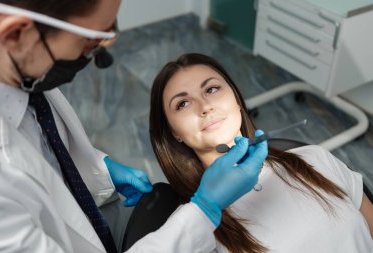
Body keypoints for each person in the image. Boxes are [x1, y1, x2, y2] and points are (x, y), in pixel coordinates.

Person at [0, 1, 268, 253]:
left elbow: (41, 149)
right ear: (16, 35)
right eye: (90, 40)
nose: (100, 53)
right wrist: (204, 210)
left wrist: (98, 172)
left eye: (212, 89)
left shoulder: (25, 70)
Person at [149, 53, 373, 253]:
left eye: (212, 89)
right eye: (183, 104)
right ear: (174, 132)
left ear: (236, 99)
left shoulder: (314, 158)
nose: (205, 106)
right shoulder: (194, 230)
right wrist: (207, 206)